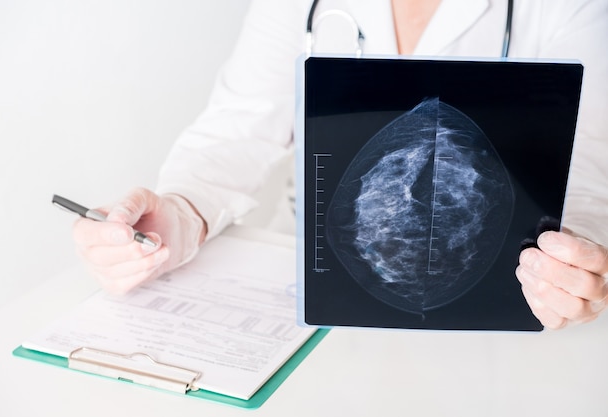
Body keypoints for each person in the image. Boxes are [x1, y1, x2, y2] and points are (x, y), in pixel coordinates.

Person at [72, 0, 608, 330]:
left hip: (500, 308)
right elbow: (237, 127)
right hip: (313, 290)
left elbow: (586, 157)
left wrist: (571, 262)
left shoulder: (568, 5)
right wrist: (180, 214)